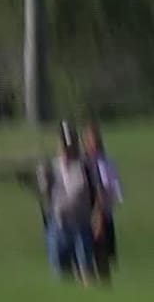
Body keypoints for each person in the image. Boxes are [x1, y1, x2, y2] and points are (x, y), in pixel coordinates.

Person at [34, 122, 105, 285]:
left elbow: (98, 192)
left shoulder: (86, 167)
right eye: (63, 145)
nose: (66, 149)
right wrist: (42, 177)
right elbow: (42, 192)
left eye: (69, 144)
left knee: (86, 270)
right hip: (57, 226)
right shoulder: (50, 166)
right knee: (61, 274)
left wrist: (98, 217)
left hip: (81, 226)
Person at [82, 120, 123, 282]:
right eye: (88, 140)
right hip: (83, 218)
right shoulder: (81, 162)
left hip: (101, 218)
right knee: (84, 263)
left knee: (102, 261)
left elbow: (109, 192)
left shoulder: (104, 163)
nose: (91, 144)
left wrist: (99, 216)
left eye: (94, 140)